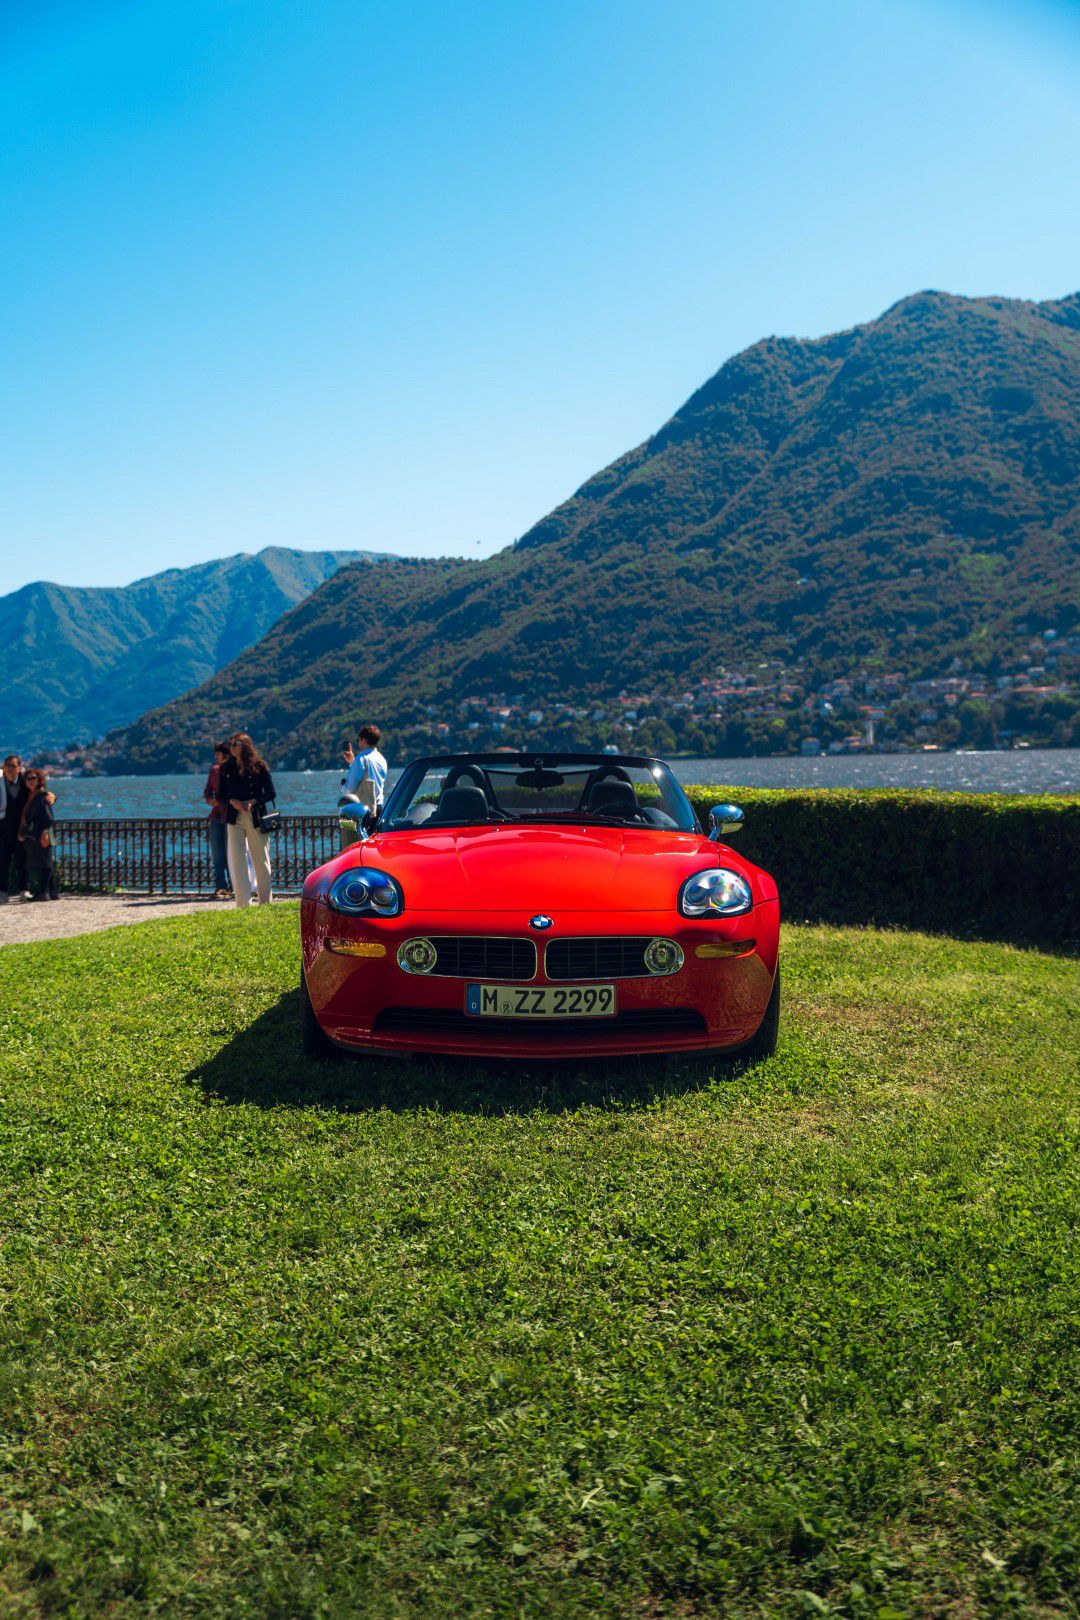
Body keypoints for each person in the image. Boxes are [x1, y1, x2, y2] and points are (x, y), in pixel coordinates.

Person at [216, 732, 275, 908]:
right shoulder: (226, 768)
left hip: (255, 816)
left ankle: (265, 901)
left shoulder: (259, 766)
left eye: (236, 744)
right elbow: (220, 796)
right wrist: (231, 801)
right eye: (231, 744)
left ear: (246, 745)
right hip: (235, 817)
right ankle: (243, 903)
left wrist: (254, 801)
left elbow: (271, 793)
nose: (232, 747)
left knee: (261, 859)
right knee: (237, 860)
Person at [17, 768, 58, 901]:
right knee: (44, 860)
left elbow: (49, 817)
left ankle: (42, 893)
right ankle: (53, 892)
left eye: (33, 778)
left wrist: (45, 832)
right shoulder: (31, 794)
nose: (31, 781)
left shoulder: (42, 795)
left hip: (43, 832)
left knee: (45, 863)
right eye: (28, 779)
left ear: (39, 779)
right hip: (37, 833)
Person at [203, 742, 232, 899]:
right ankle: (221, 886)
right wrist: (209, 800)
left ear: (225, 753)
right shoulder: (214, 771)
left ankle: (235, 885)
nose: (215, 757)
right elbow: (207, 790)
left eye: (217, 753)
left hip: (231, 816)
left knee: (232, 853)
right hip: (216, 816)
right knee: (217, 854)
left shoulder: (234, 770)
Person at [341, 724, 388, 816]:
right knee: (376, 831)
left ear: (364, 741)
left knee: (355, 830)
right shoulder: (382, 759)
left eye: (359, 740)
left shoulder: (361, 759)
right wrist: (352, 763)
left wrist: (343, 786)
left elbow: (349, 789)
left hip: (362, 810)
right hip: (378, 808)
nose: (358, 742)